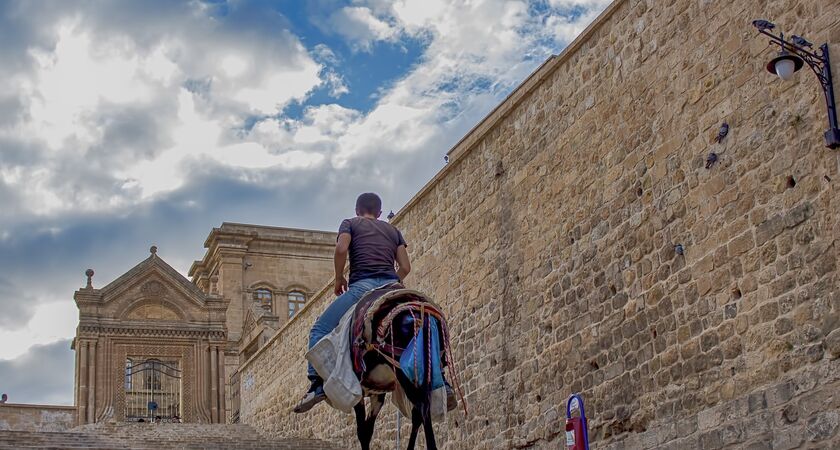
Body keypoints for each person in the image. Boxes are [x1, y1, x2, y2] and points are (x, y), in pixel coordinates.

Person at [294, 193, 410, 413]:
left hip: (363, 288)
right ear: (380, 212)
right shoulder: (393, 231)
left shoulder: (350, 223)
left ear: (357, 210)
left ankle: (316, 385)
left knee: (319, 329)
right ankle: (437, 379)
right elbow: (405, 267)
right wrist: (392, 281)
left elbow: (340, 249)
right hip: (393, 287)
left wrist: (339, 279)